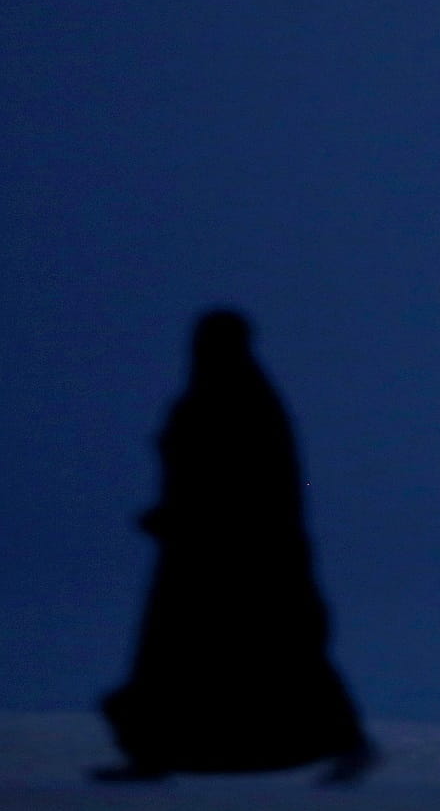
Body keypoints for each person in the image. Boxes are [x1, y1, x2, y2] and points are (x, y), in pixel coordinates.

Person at [98, 309, 374, 783]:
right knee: (187, 657)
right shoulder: (229, 399)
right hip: (208, 550)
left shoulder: (244, 403)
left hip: (242, 554)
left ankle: (342, 741)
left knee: (269, 653)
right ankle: (152, 751)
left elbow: (252, 481)